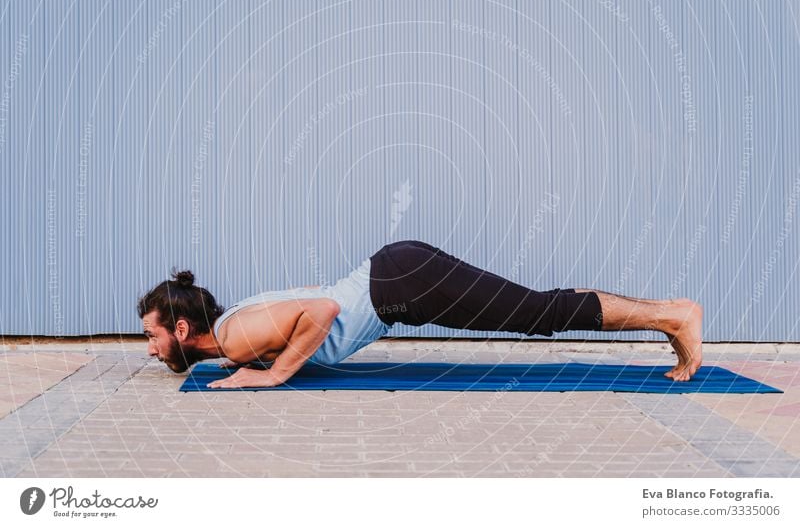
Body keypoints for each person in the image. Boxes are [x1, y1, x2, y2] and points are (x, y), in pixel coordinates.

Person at [137, 239, 703, 388]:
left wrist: (275, 372)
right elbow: (319, 296)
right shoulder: (235, 327)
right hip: (397, 277)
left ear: (180, 329)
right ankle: (668, 315)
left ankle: (675, 318)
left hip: (402, 284)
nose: (150, 348)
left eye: (152, 336)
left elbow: (325, 305)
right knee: (536, 306)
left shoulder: (235, 338)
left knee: (537, 312)